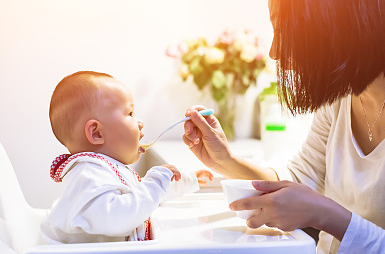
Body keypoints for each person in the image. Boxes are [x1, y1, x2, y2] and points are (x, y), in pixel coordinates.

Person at [182, 0, 385, 253]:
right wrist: (224, 160)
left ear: (337, 27)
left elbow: (311, 201)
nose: (275, 52)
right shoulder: (340, 98)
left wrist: (325, 215)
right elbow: (301, 179)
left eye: (285, 31)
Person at [41, 71, 213, 244]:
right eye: (130, 114)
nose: (140, 122)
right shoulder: (88, 175)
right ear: (97, 132)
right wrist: (156, 181)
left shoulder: (103, 170)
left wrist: (184, 181)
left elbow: (137, 196)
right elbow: (119, 216)